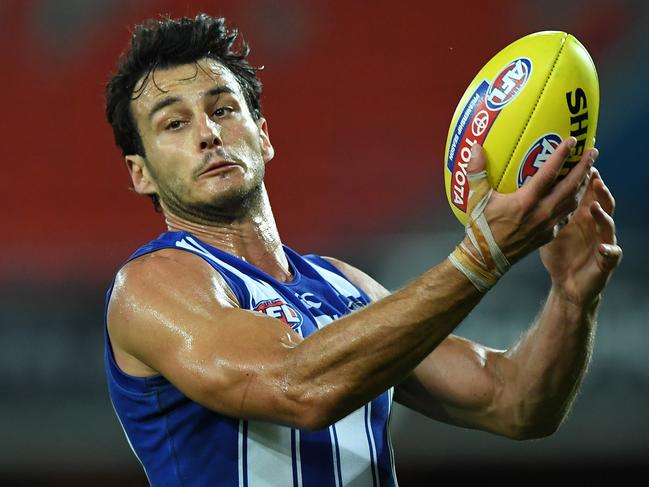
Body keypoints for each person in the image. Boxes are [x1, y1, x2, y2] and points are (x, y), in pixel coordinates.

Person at [103, 14, 621, 487]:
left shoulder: (342, 285)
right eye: (174, 123)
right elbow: (295, 386)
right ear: (140, 172)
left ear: (263, 137)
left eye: (223, 109)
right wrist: (483, 256)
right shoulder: (152, 286)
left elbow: (514, 401)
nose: (209, 134)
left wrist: (572, 297)